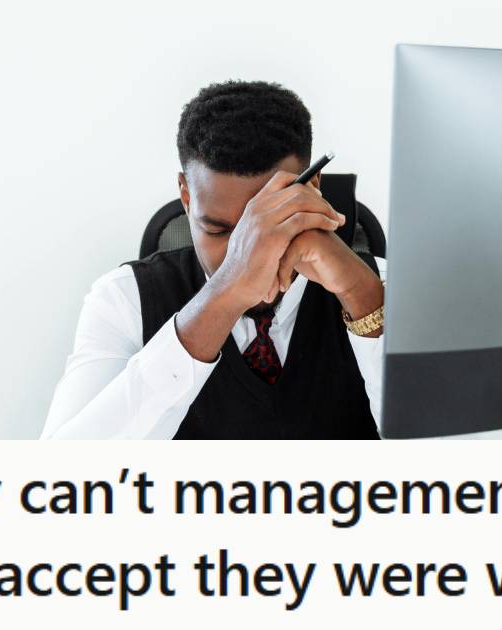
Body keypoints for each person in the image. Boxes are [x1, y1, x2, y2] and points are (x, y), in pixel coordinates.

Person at [41, 80, 385, 439]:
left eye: (266, 229)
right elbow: (61, 482)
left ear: (312, 188)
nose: (247, 255)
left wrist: (365, 300)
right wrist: (224, 294)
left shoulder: (385, 286)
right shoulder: (123, 300)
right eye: (220, 231)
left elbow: (442, 473)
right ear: (187, 197)